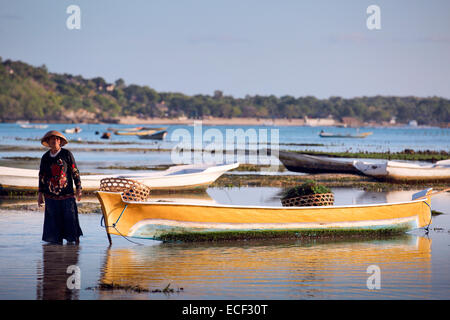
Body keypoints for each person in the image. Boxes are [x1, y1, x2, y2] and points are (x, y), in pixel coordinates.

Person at [38, 130, 83, 244]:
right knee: (53, 220)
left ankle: (73, 245)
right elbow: (41, 176)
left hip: (67, 194)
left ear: (60, 141)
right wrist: (40, 194)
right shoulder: (45, 157)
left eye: (57, 139)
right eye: (52, 139)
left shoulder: (67, 154)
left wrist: (78, 188)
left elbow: (75, 171)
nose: (54, 141)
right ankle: (55, 248)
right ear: (48, 142)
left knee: (70, 218)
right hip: (50, 195)